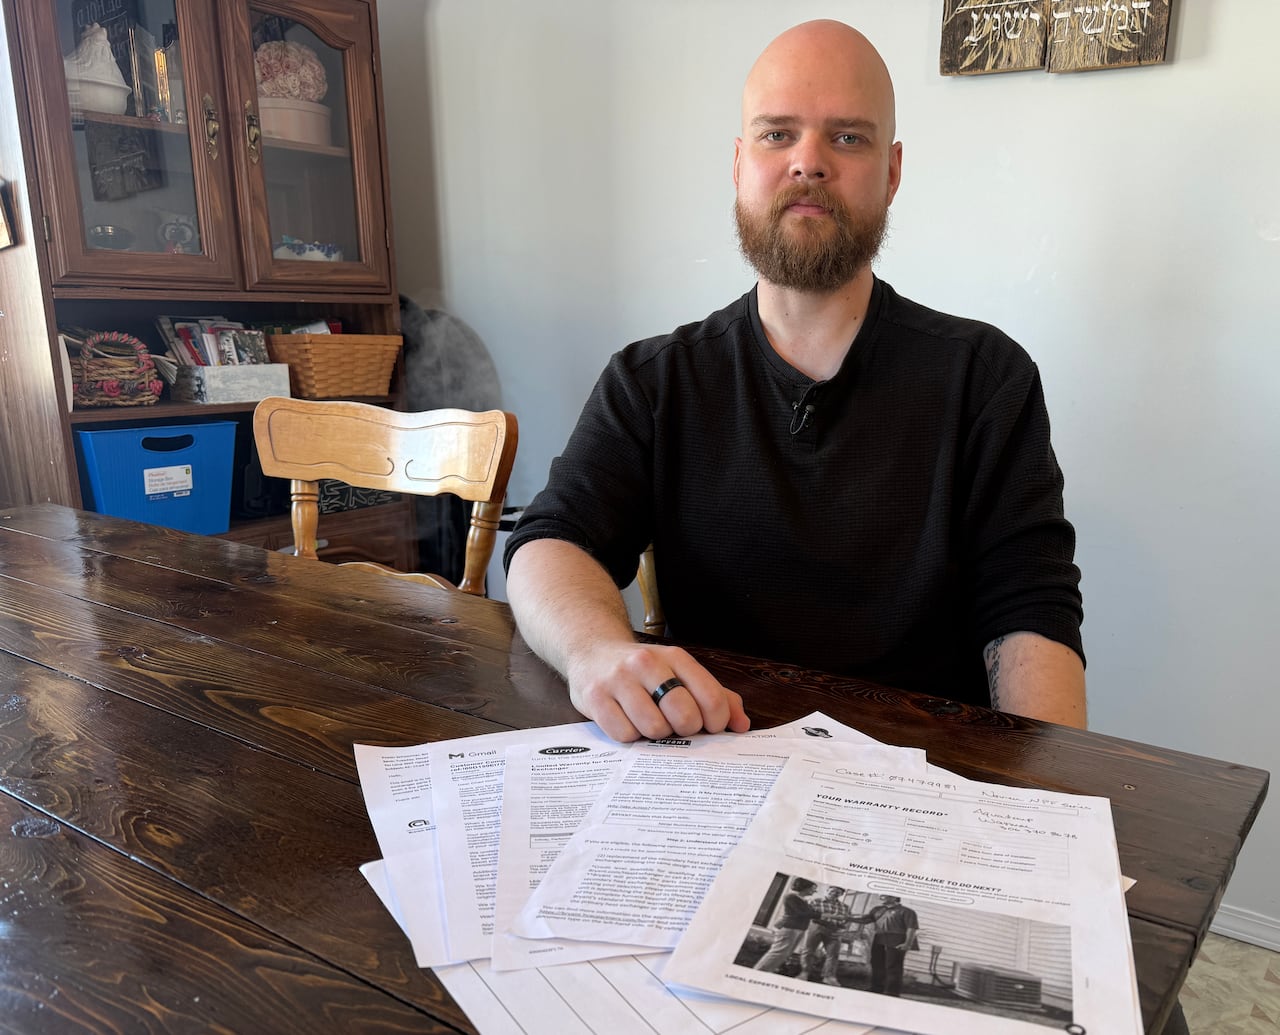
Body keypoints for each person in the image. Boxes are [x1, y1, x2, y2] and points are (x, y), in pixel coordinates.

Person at [504, 19, 1086, 743]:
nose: (808, 162)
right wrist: (598, 651)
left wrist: (1042, 807)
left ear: (893, 170)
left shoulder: (986, 378)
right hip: (715, 765)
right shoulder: (654, 380)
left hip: (924, 794)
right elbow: (549, 542)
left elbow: (1031, 613)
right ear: (740, 162)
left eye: (847, 137)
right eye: (778, 135)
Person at [850, 894, 918, 997]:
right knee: (877, 964)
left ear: (894, 897)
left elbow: (911, 928)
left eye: (884, 896)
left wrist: (907, 943)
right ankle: (876, 989)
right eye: (881, 896)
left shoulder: (907, 911)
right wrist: (848, 918)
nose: (881, 898)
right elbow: (865, 920)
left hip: (898, 938)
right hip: (879, 937)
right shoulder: (878, 909)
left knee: (893, 966)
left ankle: (892, 992)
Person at [753, 877, 819, 973]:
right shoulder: (791, 897)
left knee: (785, 954)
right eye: (813, 889)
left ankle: (767, 971)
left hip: (798, 929)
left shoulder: (803, 900)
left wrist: (814, 913)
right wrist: (819, 914)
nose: (815, 891)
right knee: (777, 953)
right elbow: (800, 914)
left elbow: (809, 913)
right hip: (789, 928)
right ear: (805, 887)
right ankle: (758, 971)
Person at [800, 885, 854, 986]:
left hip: (835, 930)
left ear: (841, 894)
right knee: (808, 950)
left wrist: (843, 929)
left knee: (833, 954)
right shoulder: (815, 901)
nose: (835, 893)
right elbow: (808, 914)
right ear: (827, 890)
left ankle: (828, 977)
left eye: (838, 892)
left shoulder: (845, 907)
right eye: (833, 890)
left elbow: (848, 920)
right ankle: (804, 973)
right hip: (816, 926)